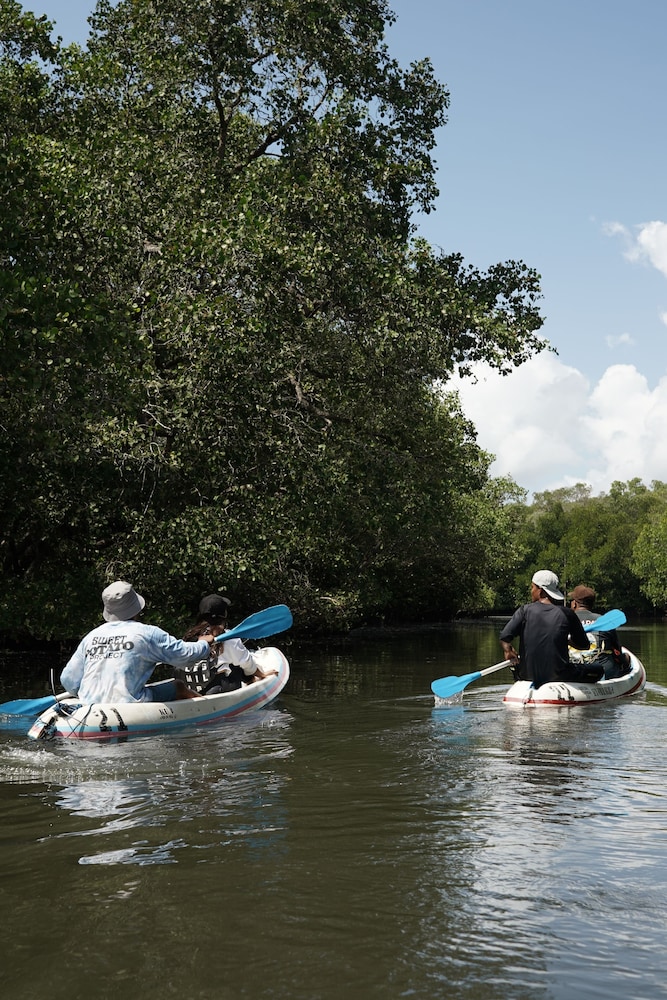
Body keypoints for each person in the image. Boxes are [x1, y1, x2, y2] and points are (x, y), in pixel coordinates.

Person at [60, 581, 215, 703]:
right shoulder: (148, 634)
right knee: (178, 686)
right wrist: (203, 644)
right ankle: (210, 709)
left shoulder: (91, 637)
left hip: (89, 705)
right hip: (129, 704)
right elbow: (184, 656)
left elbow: (68, 680)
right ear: (137, 608)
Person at [499, 570, 590, 688]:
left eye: (532, 587)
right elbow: (584, 645)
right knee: (598, 670)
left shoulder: (524, 611)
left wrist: (508, 651)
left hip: (526, 675)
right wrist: (566, 640)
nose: (531, 591)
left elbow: (504, 637)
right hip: (559, 676)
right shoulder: (567, 613)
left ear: (540, 590)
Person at [179, 593, 276, 694]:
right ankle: (251, 681)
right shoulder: (229, 638)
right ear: (224, 615)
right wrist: (262, 674)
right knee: (237, 665)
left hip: (189, 688)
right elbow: (247, 663)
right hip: (215, 690)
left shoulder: (190, 635)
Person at [567, 584, 631, 679]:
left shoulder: (564, 620)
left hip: (572, 671)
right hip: (603, 671)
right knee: (626, 658)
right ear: (592, 604)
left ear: (574, 604)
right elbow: (617, 651)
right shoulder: (603, 621)